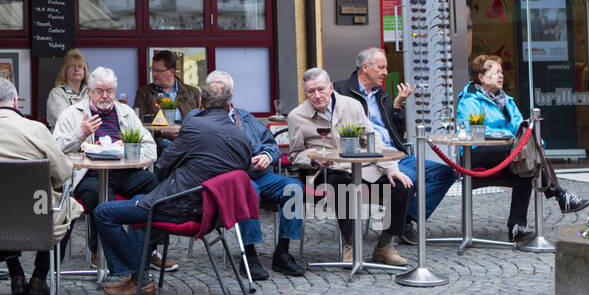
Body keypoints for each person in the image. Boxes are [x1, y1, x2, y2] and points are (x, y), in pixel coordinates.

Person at [93, 75, 251, 295]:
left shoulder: (195, 125)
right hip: (210, 212)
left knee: (103, 212)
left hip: (180, 207)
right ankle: (139, 279)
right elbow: (245, 172)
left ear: (200, 104)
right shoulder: (240, 135)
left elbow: (163, 166)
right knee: (141, 197)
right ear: (229, 105)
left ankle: (138, 278)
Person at [0, 76, 84, 295]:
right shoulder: (37, 131)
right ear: (15, 102)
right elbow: (64, 173)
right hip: (39, 216)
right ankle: (39, 278)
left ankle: (16, 274)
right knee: (70, 206)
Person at [287, 68, 413, 267]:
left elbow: (373, 140)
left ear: (330, 87)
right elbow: (294, 154)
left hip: (361, 168)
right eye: (311, 91)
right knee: (344, 185)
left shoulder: (352, 106)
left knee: (402, 186)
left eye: (320, 89)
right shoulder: (297, 116)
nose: (316, 95)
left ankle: (384, 246)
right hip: (325, 173)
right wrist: (313, 159)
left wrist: (390, 168)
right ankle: (350, 246)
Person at [186, 71, 306, 278]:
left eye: (224, 89)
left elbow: (271, 144)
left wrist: (267, 156)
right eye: (215, 89)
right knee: (249, 190)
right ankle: (249, 255)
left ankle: (283, 252)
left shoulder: (245, 116)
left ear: (231, 94)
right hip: (224, 180)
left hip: (259, 174)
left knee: (294, 188)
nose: (220, 93)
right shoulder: (196, 118)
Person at [456, 55, 588, 240]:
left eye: (501, 72)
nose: (501, 76)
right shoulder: (469, 100)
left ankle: (516, 227)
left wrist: (533, 144)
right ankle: (560, 195)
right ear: (482, 78)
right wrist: (514, 140)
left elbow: (521, 128)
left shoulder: (506, 100)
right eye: (495, 73)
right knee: (524, 155)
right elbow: (474, 131)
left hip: (509, 153)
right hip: (476, 152)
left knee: (527, 166)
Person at [52, 66, 168, 271]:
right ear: (90, 91)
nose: (105, 96)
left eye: (109, 91)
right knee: (103, 197)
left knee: (153, 185)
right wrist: (80, 133)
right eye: (99, 91)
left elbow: (150, 147)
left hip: (124, 173)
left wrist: (128, 154)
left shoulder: (125, 113)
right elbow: (55, 149)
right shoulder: (72, 114)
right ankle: (104, 252)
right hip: (87, 175)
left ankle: (149, 251)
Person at [335, 48, 457, 236]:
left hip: (395, 153)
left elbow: (397, 135)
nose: (385, 72)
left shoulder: (381, 95)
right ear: (365, 68)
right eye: (381, 67)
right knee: (409, 181)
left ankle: (406, 218)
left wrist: (398, 105)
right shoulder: (341, 91)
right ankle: (399, 228)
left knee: (446, 173)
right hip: (370, 157)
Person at [133, 50, 201, 147]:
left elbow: (202, 119)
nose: (154, 74)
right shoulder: (144, 93)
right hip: (160, 140)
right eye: (153, 69)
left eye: (159, 71)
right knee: (167, 146)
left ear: (171, 72)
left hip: (189, 139)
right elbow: (137, 123)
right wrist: (161, 131)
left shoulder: (192, 92)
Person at [46, 48, 90, 128]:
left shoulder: (90, 92)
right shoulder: (57, 93)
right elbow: (64, 120)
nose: (77, 69)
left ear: (85, 72)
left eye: (80, 66)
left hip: (88, 138)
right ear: (65, 71)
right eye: (73, 66)